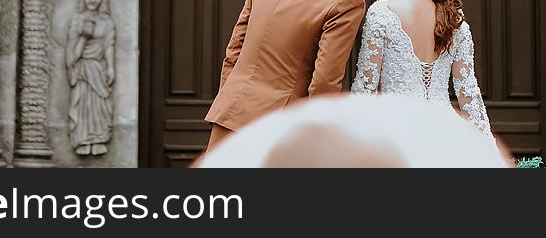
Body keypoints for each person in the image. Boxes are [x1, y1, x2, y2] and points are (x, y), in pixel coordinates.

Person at [204, 0, 386, 151]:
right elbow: (324, 82)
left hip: (230, 114)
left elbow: (233, 52)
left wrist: (232, 98)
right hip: (280, 130)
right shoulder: (347, 1)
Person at [351, 0, 494, 142]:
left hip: (397, 134)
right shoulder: (454, 20)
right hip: (445, 133)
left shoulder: (381, 13)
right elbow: (469, 94)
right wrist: (488, 151)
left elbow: (365, 88)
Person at [196, 93, 508, 167]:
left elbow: (364, 85)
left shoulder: (382, 13)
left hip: (385, 124)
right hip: (435, 131)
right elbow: (469, 91)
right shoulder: (456, 19)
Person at [66, 0, 116, 156]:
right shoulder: (78, 20)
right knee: (83, 102)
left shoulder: (107, 22)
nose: (93, 0)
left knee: (99, 105)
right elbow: (73, 52)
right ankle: (83, 139)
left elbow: (109, 45)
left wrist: (110, 68)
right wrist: (84, 37)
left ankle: (98, 139)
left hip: (98, 67)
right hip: (83, 68)